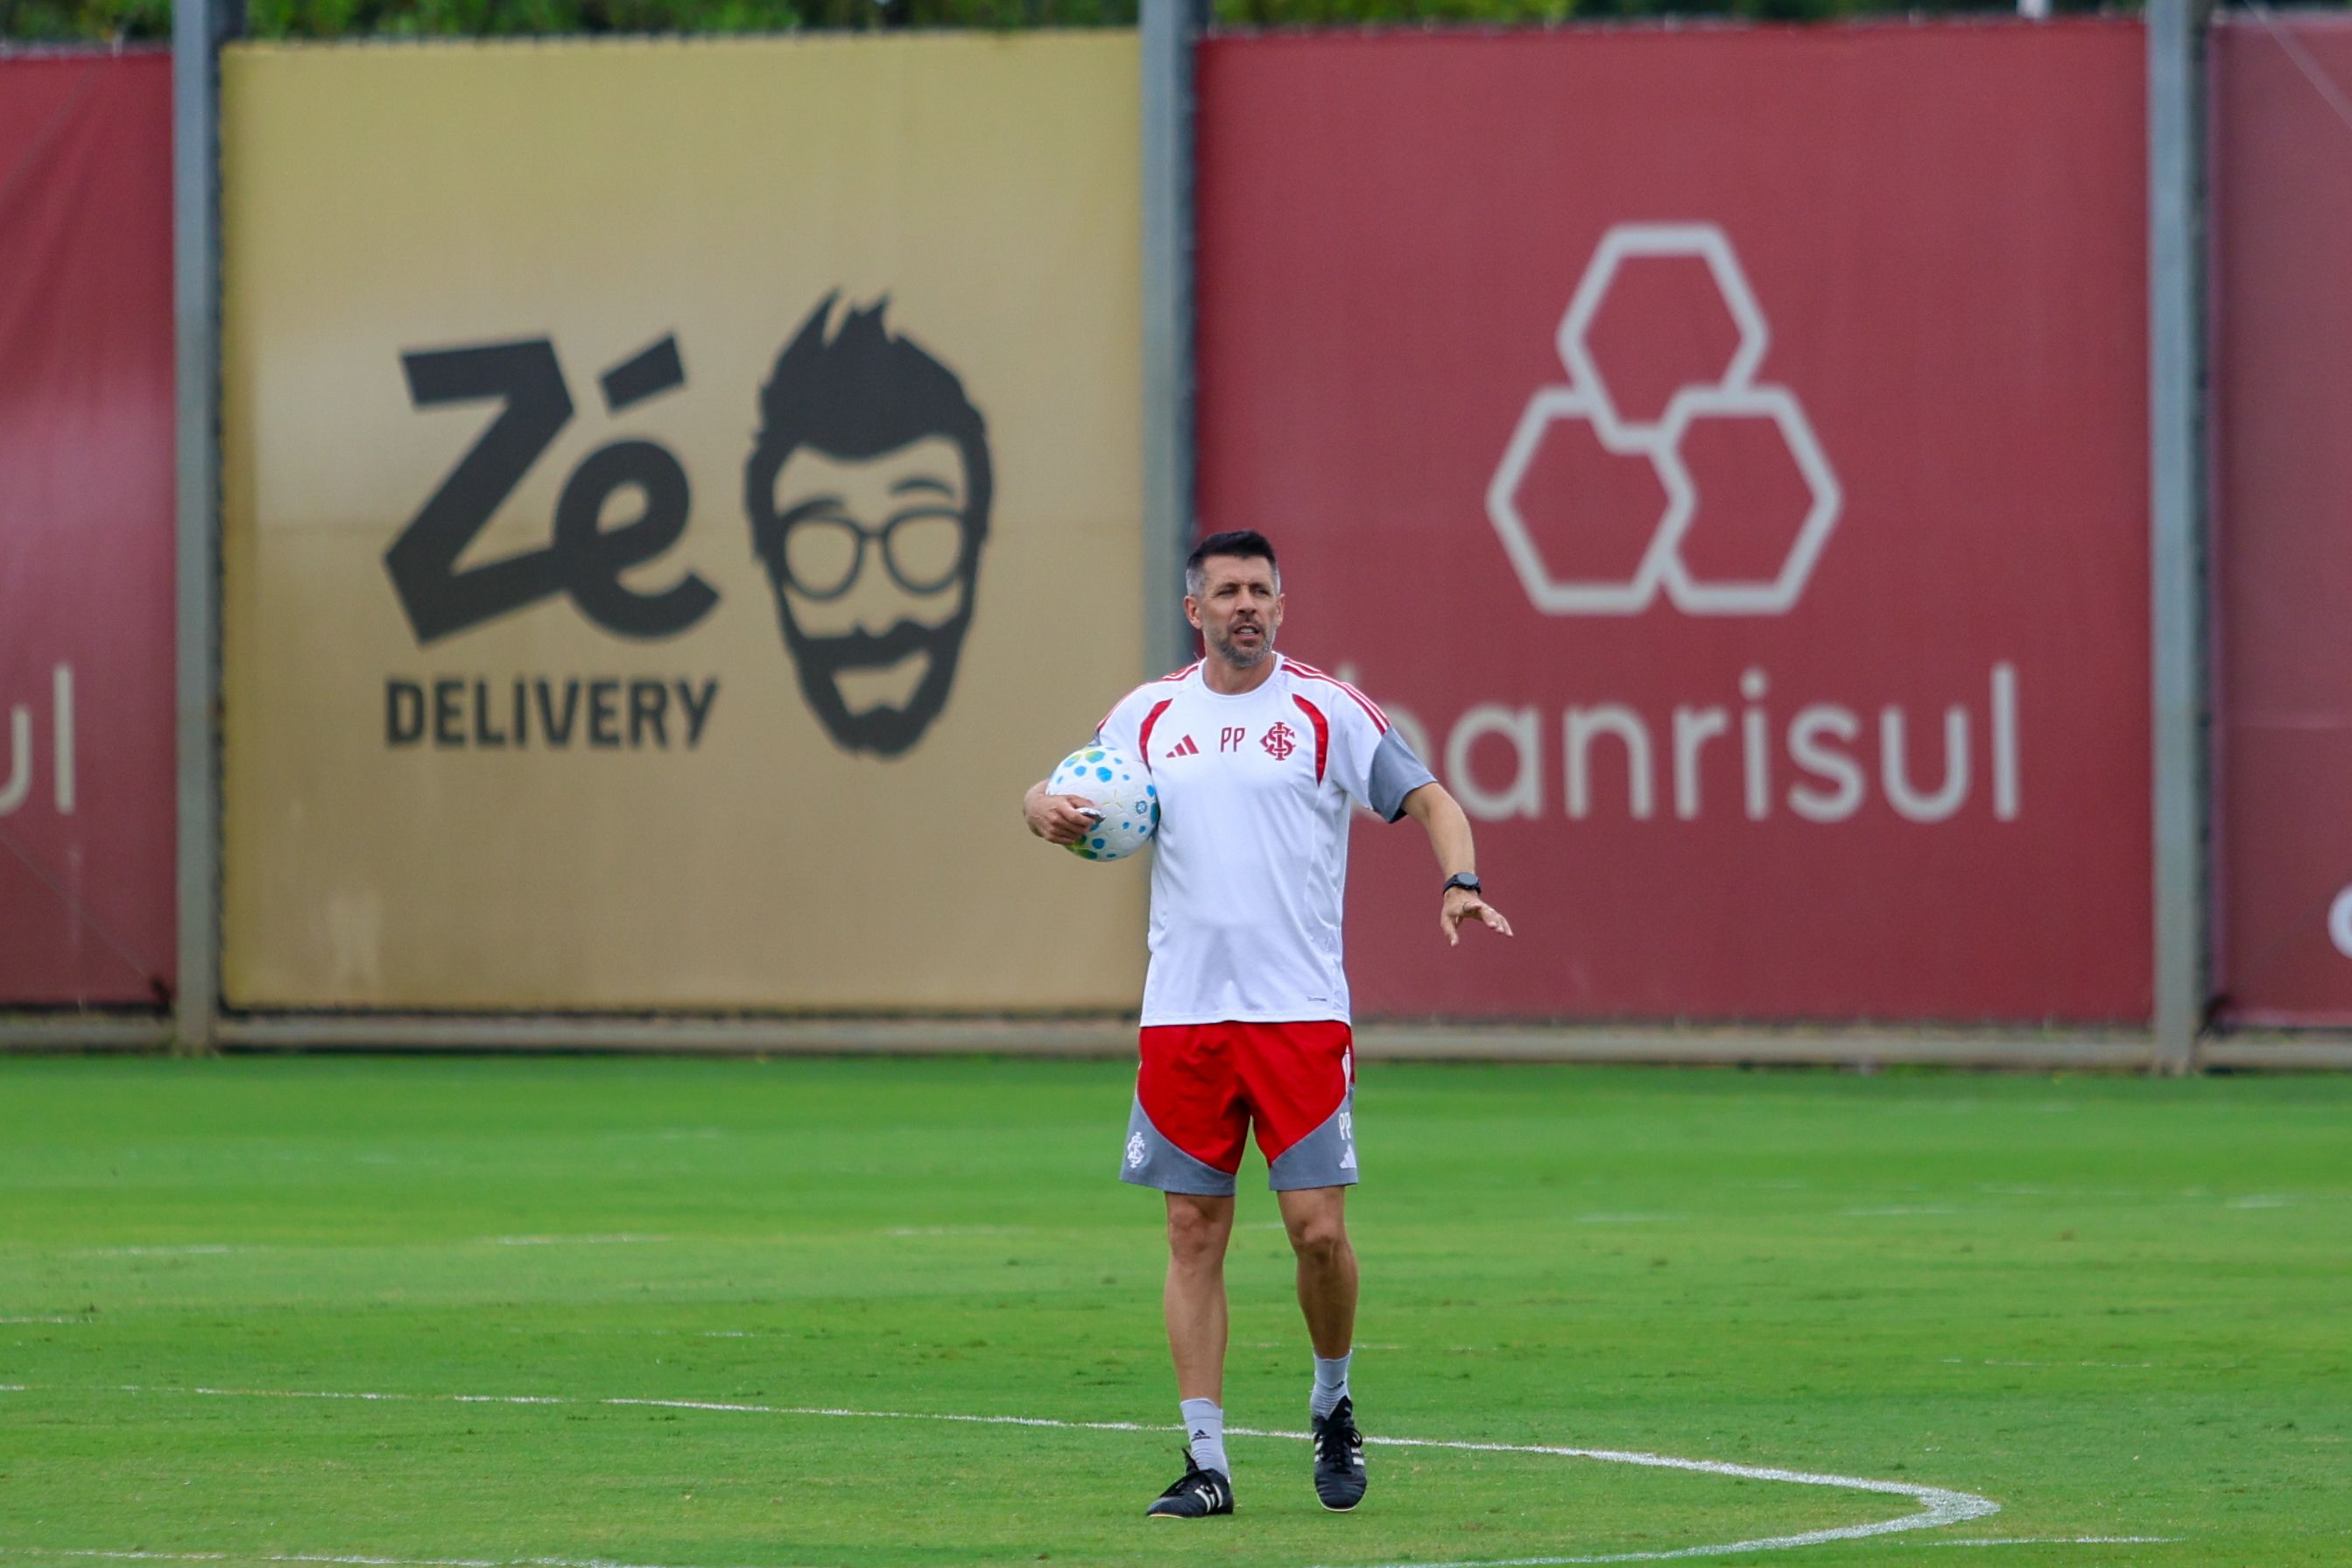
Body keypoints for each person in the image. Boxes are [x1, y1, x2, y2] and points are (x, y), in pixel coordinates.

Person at [1021, 529, 1513, 1519]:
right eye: (1227, 591)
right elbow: (1062, 784)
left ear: (1281, 607)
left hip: (1298, 1015)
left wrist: (1458, 881)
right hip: (1183, 1015)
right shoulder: (1148, 714)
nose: (1246, 605)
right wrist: (1040, 807)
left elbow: (1433, 800)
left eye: (1261, 590)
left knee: (1316, 1232)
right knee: (1191, 1231)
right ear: (1194, 610)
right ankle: (1206, 1462)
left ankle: (1332, 1403)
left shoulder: (1327, 711)